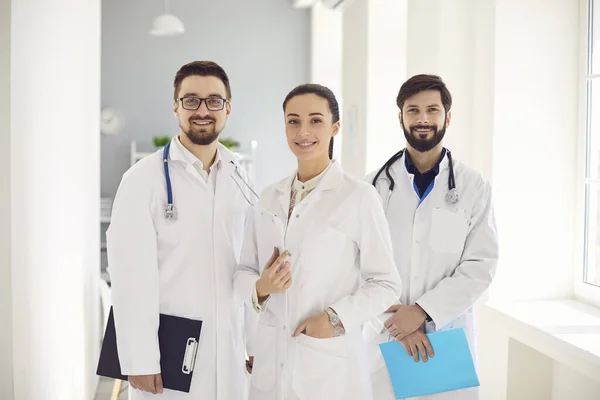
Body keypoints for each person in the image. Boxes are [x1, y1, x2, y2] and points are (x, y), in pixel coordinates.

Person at [233, 83, 403, 400]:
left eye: (315, 120)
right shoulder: (269, 196)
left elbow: (386, 283)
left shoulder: (358, 196)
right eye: (293, 121)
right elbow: (243, 270)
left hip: (330, 365)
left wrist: (335, 319)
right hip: (272, 359)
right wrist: (261, 287)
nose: (303, 131)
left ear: (334, 127)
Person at [107, 61, 256, 399]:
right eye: (191, 100)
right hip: (166, 351)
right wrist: (138, 357)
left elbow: (248, 264)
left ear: (227, 109)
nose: (202, 110)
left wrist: (254, 340)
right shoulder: (142, 180)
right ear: (175, 107)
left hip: (229, 348)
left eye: (214, 101)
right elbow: (129, 277)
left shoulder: (240, 177)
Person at [365, 74, 499, 399]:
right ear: (400, 118)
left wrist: (422, 311)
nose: (423, 119)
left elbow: (481, 265)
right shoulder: (371, 188)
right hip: (387, 335)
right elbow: (359, 265)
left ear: (447, 117)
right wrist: (402, 322)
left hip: (444, 335)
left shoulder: (472, 186)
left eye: (432, 110)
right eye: (412, 110)